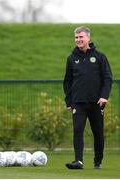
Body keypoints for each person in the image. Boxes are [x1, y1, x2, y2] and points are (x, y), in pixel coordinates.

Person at [63, 26, 113, 169]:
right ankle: (78, 161)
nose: (78, 40)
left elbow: (108, 78)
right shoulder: (71, 58)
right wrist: (69, 101)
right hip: (78, 103)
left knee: (98, 133)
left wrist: (104, 97)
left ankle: (98, 161)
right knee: (77, 130)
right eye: (76, 37)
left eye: (81, 37)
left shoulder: (99, 57)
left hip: (96, 103)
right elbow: (67, 81)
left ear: (88, 38)